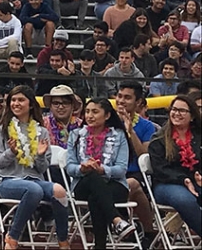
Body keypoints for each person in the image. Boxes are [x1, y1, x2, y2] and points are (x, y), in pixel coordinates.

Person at [0, 85, 70, 250]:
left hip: (35, 179)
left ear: (31, 105)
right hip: (8, 181)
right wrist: (11, 153)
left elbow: (42, 169)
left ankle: (63, 241)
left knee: (60, 191)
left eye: (21, 100)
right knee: (34, 190)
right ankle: (13, 236)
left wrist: (40, 155)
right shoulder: (1, 131)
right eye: (13, 100)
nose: (16, 103)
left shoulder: (41, 132)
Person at [65, 98, 135, 249]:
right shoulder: (75, 135)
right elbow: (70, 168)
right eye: (87, 111)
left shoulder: (119, 135)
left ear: (107, 115)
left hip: (114, 186)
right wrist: (82, 169)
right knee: (92, 177)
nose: (89, 116)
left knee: (95, 196)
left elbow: (122, 169)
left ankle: (100, 246)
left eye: (95, 112)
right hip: (83, 184)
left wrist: (103, 169)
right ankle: (117, 220)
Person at [147, 95, 202, 238]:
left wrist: (199, 175)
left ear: (192, 116)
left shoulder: (199, 137)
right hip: (167, 184)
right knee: (185, 200)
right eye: (174, 109)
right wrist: (184, 179)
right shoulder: (158, 139)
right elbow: (160, 170)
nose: (177, 113)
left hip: (195, 180)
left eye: (182, 111)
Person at [114, 81, 158, 242]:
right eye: (119, 96)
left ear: (138, 102)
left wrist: (129, 130)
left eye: (127, 97)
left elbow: (143, 155)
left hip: (136, 172)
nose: (121, 101)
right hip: (110, 171)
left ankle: (144, 231)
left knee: (131, 183)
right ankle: (136, 229)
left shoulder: (147, 126)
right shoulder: (106, 120)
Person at [41, 85, 83, 150]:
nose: (60, 107)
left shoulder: (81, 126)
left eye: (65, 103)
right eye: (56, 103)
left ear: (73, 106)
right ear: (50, 106)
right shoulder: (42, 124)